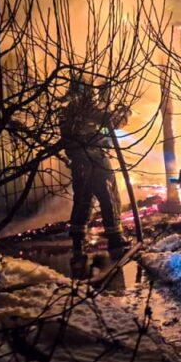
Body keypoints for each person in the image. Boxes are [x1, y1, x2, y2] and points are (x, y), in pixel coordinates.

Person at [60, 77, 130, 256]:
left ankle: (78, 241)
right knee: (109, 196)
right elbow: (112, 121)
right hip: (96, 159)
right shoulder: (87, 108)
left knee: (83, 198)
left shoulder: (67, 111)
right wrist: (125, 112)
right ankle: (115, 240)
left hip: (79, 162)